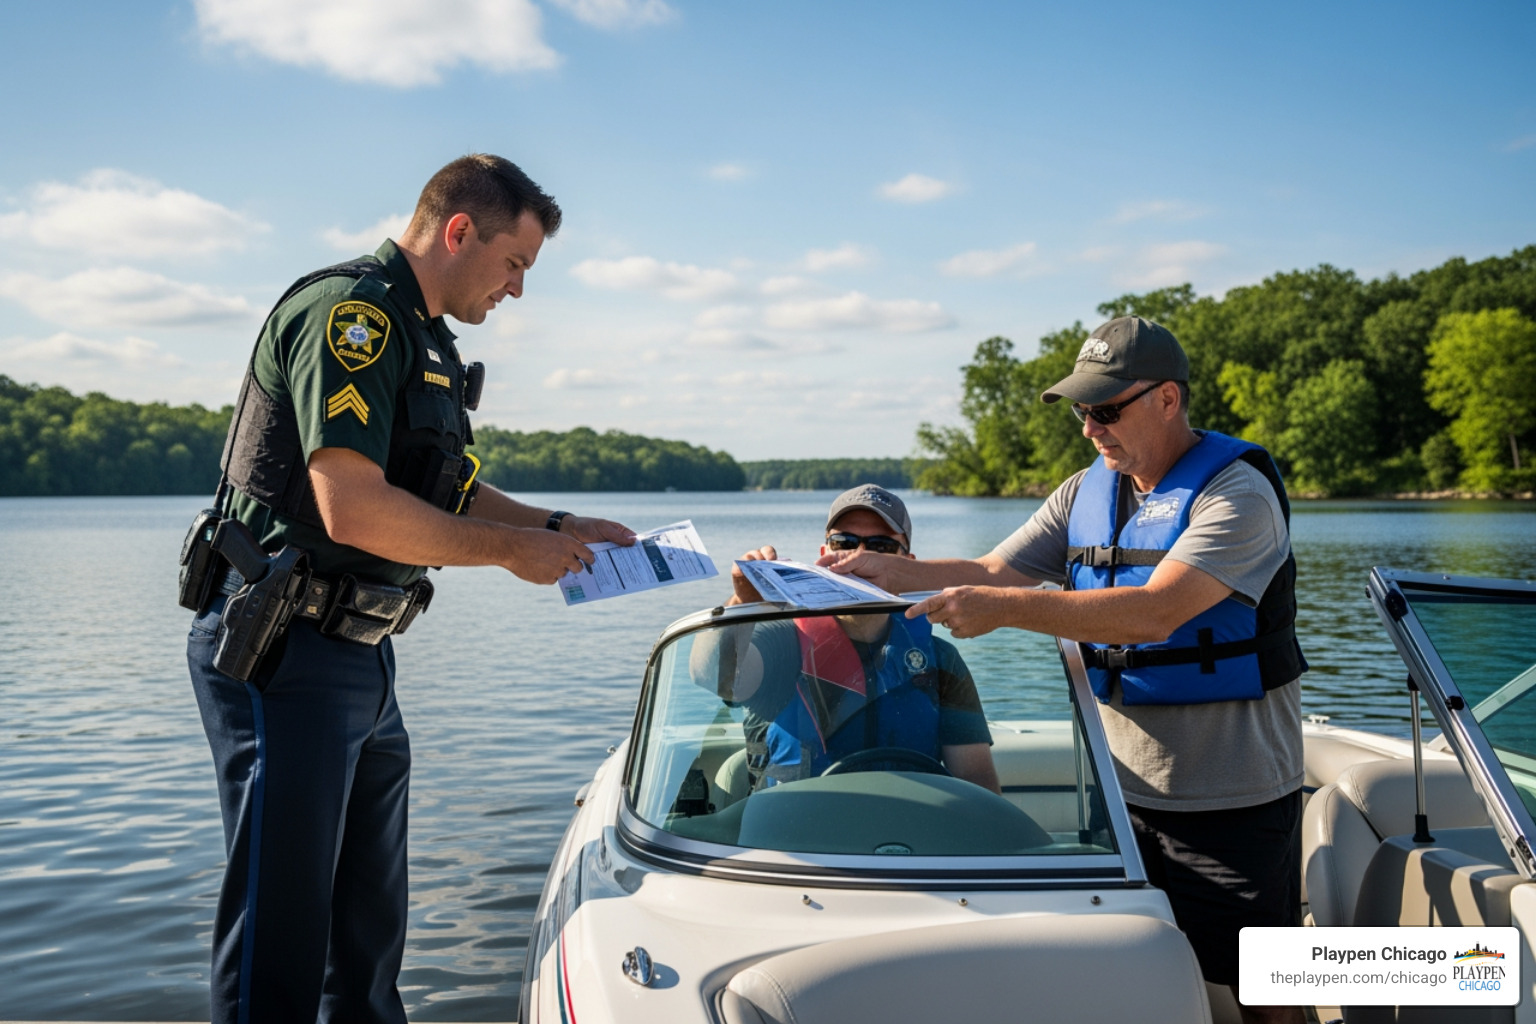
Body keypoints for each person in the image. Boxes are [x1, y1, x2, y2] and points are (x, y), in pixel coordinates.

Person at [184, 154, 634, 1024]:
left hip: (363, 658)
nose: (517, 290)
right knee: (279, 940)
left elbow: (442, 486)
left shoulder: (427, 341)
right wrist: (508, 553)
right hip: (282, 650)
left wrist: (554, 527)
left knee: (365, 944)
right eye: (514, 264)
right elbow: (350, 507)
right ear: (458, 231)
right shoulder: (351, 316)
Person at [823, 318, 1306, 1024]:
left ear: (1169, 399)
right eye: (1083, 411)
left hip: (1230, 797)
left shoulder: (1238, 497)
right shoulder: (1084, 492)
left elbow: (1153, 611)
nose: (1090, 430)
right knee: (1142, 981)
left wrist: (1003, 608)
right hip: (1116, 795)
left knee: (1260, 997)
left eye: (1106, 411)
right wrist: (872, 570)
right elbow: (987, 569)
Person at [696, 484, 1000, 795]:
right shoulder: (781, 643)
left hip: (910, 835)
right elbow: (710, 674)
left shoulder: (940, 660)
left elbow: (978, 784)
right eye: (844, 542)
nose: (860, 557)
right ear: (824, 553)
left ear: (908, 563)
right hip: (792, 837)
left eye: (880, 546)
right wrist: (742, 603)